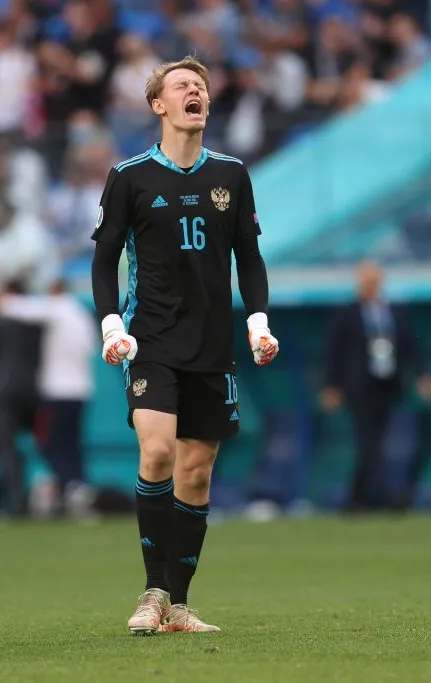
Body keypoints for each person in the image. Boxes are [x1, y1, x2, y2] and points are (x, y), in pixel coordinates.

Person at [90, 56, 279, 635]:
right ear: (159, 105)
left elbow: (248, 257)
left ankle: (177, 603)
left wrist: (258, 323)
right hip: (150, 338)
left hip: (212, 343)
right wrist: (111, 326)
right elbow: (104, 259)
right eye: (182, 85)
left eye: (201, 85)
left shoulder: (231, 175)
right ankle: (151, 591)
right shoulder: (130, 177)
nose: (195, 90)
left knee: (196, 473)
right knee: (158, 454)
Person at [321, 261, 431, 512]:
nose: (369, 286)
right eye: (366, 281)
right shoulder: (347, 312)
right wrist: (331, 386)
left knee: (377, 442)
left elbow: (408, 345)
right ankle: (377, 497)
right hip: (358, 387)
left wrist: (423, 374)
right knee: (369, 442)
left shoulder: (393, 311)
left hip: (386, 384)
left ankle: (359, 498)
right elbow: (334, 351)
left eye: (374, 281)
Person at [0, 280, 47, 517]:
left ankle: (18, 501)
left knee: (7, 449)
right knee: (37, 447)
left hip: (5, 393)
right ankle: (37, 497)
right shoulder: (37, 326)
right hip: (32, 393)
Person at [36, 279, 97, 516]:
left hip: (56, 390)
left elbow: (17, 307)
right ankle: (77, 485)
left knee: (50, 443)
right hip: (81, 389)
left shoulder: (53, 309)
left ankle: (70, 484)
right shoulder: (82, 315)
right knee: (72, 442)